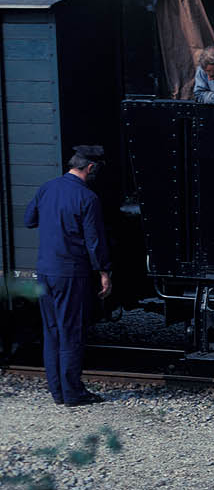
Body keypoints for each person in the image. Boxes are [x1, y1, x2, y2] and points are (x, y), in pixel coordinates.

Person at [24, 145, 112, 406]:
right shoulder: (88, 198)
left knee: (51, 332)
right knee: (71, 332)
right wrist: (104, 272)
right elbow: (94, 242)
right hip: (70, 273)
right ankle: (73, 393)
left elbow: (30, 219)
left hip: (45, 271)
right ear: (91, 167)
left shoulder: (47, 188)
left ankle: (58, 392)